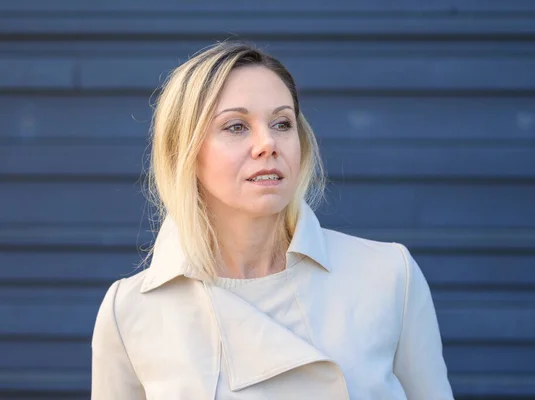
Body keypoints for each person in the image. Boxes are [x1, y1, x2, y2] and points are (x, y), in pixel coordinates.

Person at [91, 40, 454, 399]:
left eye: (282, 123)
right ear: (185, 152)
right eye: (236, 126)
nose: (268, 143)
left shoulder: (389, 277)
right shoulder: (132, 311)